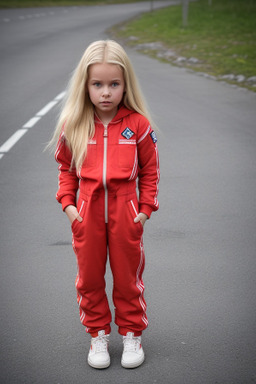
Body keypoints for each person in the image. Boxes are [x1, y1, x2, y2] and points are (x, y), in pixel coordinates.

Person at [50, 40, 160, 369]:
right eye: (97, 84)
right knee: (89, 279)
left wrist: (143, 210)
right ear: (85, 86)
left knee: (128, 279)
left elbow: (151, 171)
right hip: (87, 213)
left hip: (127, 214)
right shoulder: (75, 124)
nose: (106, 92)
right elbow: (65, 170)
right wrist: (70, 207)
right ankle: (98, 333)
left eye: (114, 84)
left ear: (126, 85)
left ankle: (131, 334)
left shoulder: (138, 125)